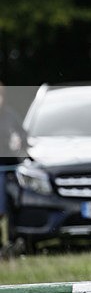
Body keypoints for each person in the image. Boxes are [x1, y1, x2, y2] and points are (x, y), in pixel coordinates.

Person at [0, 82, 27, 248]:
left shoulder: (10, 116)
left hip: (12, 170)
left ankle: (14, 240)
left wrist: (19, 141)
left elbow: (24, 136)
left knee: (14, 205)